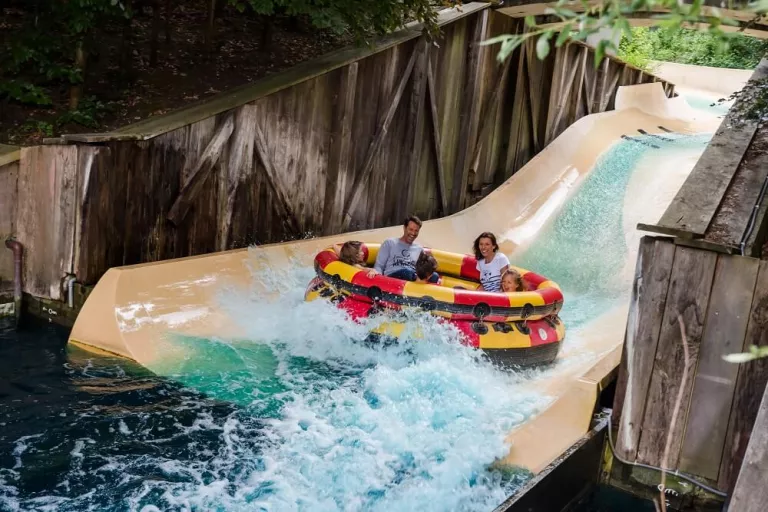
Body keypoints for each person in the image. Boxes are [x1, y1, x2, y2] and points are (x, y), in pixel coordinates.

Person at [370, 215, 439, 283]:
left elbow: (423, 269)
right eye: (411, 229)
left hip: (412, 276)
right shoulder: (390, 243)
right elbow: (379, 265)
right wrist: (376, 273)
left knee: (435, 276)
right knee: (406, 272)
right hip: (392, 277)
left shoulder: (419, 249)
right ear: (404, 228)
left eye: (416, 231)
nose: (413, 233)